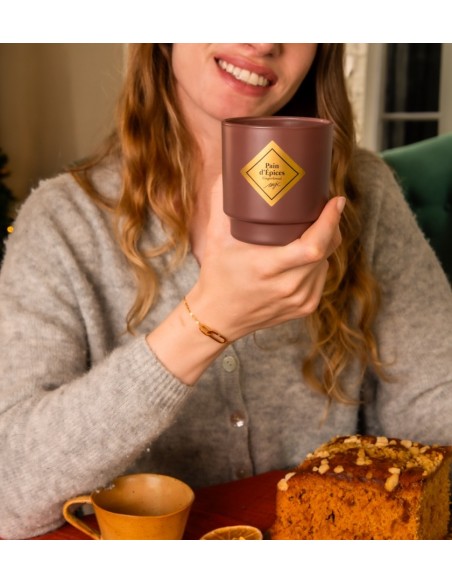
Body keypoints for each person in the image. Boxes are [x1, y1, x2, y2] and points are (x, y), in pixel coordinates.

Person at [0, 44, 451, 540]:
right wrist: (203, 323)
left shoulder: (363, 192)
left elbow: (436, 413)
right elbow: (9, 495)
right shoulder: (61, 222)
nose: (264, 40)